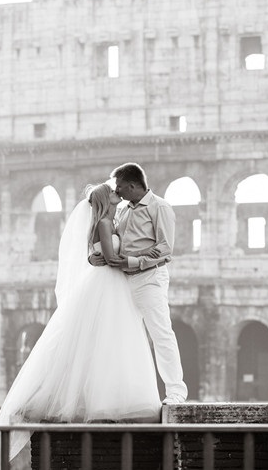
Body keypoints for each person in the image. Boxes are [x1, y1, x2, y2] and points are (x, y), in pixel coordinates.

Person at [0, 183, 160, 470]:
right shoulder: (103, 221)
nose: (118, 193)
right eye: (113, 192)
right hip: (107, 283)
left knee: (112, 339)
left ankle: (108, 394)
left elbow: (95, 254)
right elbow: (109, 258)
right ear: (105, 198)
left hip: (110, 284)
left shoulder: (111, 220)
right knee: (103, 337)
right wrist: (136, 261)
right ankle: (100, 399)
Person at [90, 162, 188, 403]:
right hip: (121, 281)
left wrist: (132, 262)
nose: (117, 192)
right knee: (125, 337)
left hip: (149, 278)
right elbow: (111, 241)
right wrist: (95, 256)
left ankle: (176, 392)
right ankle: (126, 394)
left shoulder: (160, 207)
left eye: (120, 187)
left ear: (133, 185)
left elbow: (165, 249)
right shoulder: (122, 210)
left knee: (161, 333)